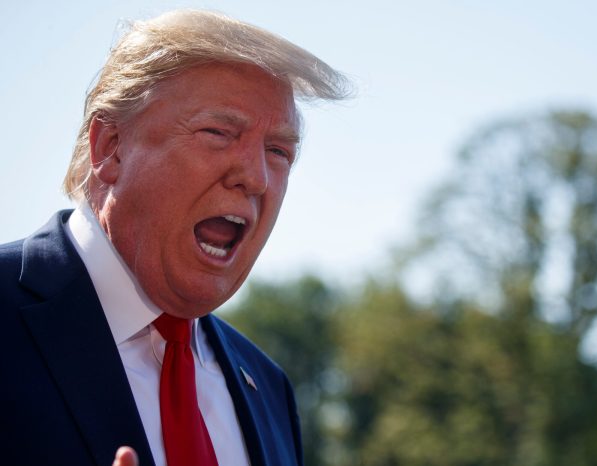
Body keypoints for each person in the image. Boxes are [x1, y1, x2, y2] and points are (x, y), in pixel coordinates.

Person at [0, 9, 350, 466]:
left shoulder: (268, 388)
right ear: (111, 146)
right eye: (219, 132)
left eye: (279, 151)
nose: (257, 177)